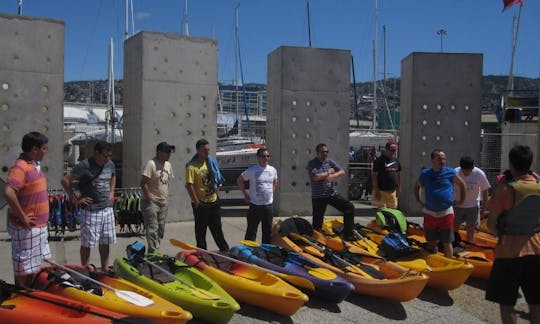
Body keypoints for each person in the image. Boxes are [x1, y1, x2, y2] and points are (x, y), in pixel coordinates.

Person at [485, 145, 540, 324]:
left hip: (508, 252)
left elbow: (491, 224)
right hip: (536, 250)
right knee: (536, 302)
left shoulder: (505, 190)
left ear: (511, 164)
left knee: (507, 304)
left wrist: (501, 234)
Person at [3, 132, 51, 287]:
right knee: (23, 266)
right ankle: (20, 294)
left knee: (33, 265)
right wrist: (23, 216)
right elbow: (8, 192)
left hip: (38, 228)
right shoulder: (20, 167)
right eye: (44, 148)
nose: (46, 151)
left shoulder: (34, 165)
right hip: (27, 228)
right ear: (34, 149)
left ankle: (29, 293)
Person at [61, 141, 116, 271]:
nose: (107, 159)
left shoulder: (110, 164)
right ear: (96, 153)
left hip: (107, 208)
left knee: (105, 241)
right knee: (87, 243)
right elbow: (65, 180)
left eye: (109, 156)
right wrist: (75, 199)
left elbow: (113, 176)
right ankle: (84, 270)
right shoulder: (84, 165)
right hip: (91, 210)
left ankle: (104, 268)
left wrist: (112, 192)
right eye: (105, 156)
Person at [414, 149, 466, 258]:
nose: (442, 161)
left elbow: (462, 185)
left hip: (446, 213)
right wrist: (419, 200)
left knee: (447, 242)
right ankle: (434, 262)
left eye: (443, 159)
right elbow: (417, 185)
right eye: (439, 159)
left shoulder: (450, 172)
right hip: (429, 212)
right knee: (432, 242)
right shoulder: (425, 174)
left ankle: (449, 264)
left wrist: (461, 201)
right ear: (432, 160)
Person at [185, 139, 229, 251]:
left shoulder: (211, 162)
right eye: (204, 150)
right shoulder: (191, 166)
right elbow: (189, 185)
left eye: (208, 150)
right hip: (201, 204)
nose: (207, 152)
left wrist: (217, 197)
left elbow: (217, 179)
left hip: (213, 201)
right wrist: (197, 203)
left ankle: (225, 251)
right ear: (198, 150)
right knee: (201, 231)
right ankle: (201, 252)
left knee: (217, 229)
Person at [306, 143, 355, 239]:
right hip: (318, 197)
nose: (325, 154)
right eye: (322, 152)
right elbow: (316, 177)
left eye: (326, 152)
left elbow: (342, 171)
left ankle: (348, 234)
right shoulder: (312, 163)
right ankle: (316, 238)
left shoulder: (329, 162)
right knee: (317, 222)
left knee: (349, 207)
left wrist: (333, 176)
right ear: (317, 153)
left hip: (331, 194)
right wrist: (328, 172)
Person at [237, 148, 278, 244]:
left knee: (267, 231)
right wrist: (245, 194)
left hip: (268, 206)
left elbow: (275, 181)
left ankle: (265, 251)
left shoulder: (272, 170)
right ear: (258, 158)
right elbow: (240, 180)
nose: (266, 158)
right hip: (255, 206)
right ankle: (249, 250)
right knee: (251, 231)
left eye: (268, 156)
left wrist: (272, 191)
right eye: (263, 156)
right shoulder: (252, 170)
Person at [140, 142, 175, 253]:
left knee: (161, 228)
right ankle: (152, 251)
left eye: (170, 152)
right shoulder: (151, 164)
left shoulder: (168, 165)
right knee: (152, 227)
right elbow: (143, 182)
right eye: (167, 152)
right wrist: (148, 195)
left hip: (163, 201)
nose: (169, 154)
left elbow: (166, 181)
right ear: (159, 152)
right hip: (151, 201)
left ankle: (155, 246)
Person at [453, 156, 491, 243]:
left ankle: (469, 246)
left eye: (469, 170)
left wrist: (484, 208)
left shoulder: (479, 174)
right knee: (454, 227)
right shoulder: (455, 172)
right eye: (465, 170)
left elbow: (485, 190)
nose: (467, 172)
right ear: (461, 168)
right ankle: (454, 244)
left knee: (471, 229)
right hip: (458, 205)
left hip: (473, 207)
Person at [371, 140, 401, 208]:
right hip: (381, 191)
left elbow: (398, 175)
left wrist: (399, 188)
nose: (392, 152)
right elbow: (374, 176)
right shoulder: (379, 161)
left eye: (394, 150)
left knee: (392, 211)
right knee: (381, 213)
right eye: (391, 150)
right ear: (386, 149)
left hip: (392, 191)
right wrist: (376, 189)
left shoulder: (396, 161)